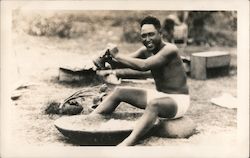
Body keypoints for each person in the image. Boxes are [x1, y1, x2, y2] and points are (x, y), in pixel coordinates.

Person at [91, 16, 190, 146]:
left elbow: (144, 66)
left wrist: (117, 55)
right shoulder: (146, 50)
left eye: (151, 34)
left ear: (160, 34)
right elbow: (121, 63)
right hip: (160, 96)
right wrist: (107, 58)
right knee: (119, 91)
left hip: (178, 101)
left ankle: (127, 143)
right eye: (143, 36)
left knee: (154, 105)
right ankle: (88, 120)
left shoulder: (170, 50)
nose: (147, 39)